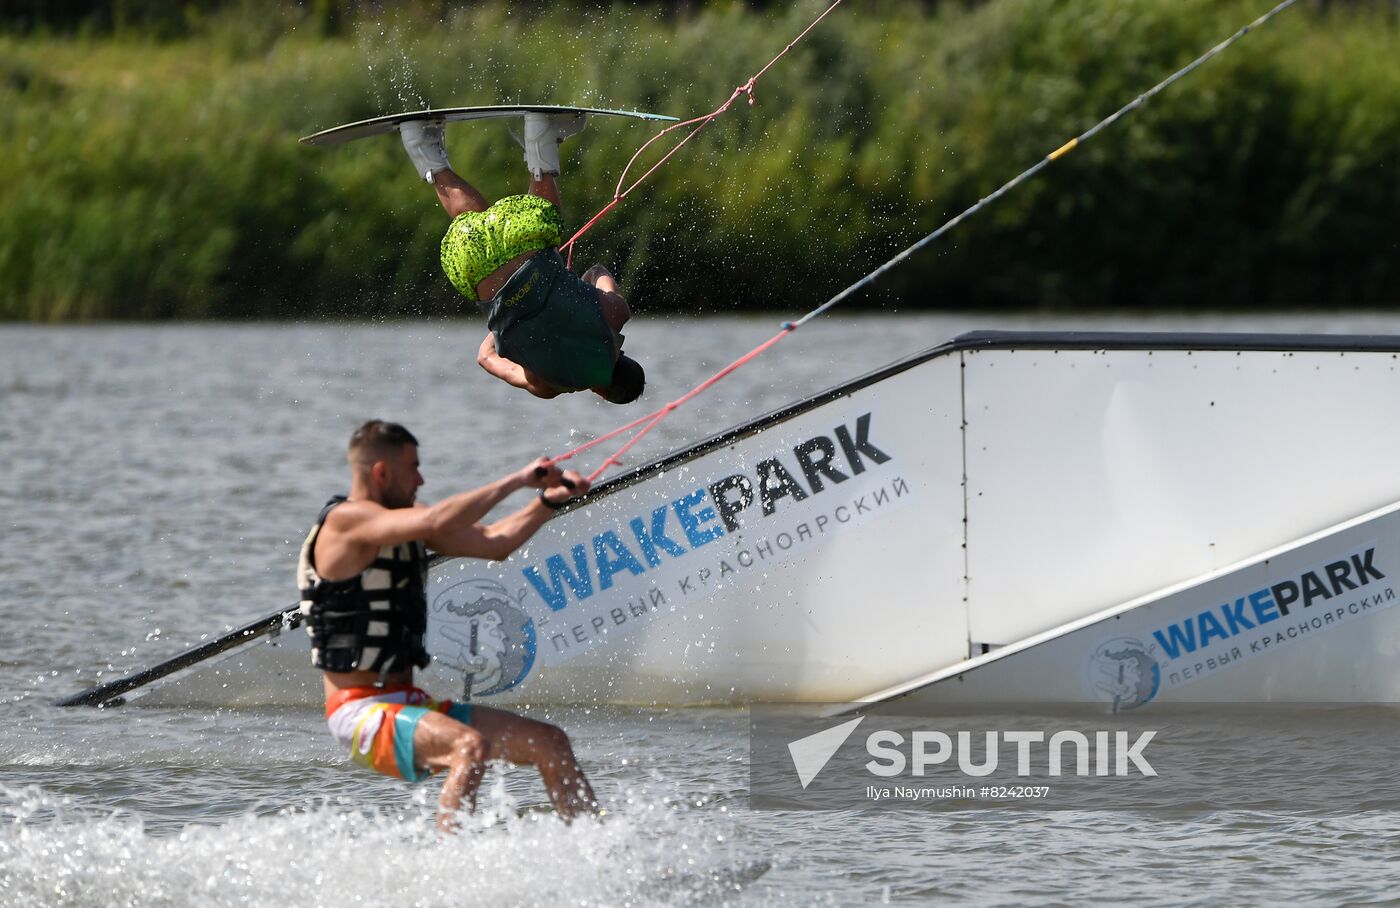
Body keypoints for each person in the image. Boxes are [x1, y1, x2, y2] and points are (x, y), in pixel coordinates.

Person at [297, 419, 599, 830]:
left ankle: (595, 849)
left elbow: (495, 542)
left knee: (551, 743)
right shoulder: (346, 522)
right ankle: (450, 868)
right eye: (413, 468)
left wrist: (546, 503)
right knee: (469, 747)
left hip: (409, 701)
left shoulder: (409, 522)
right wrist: (516, 480)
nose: (421, 479)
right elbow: (437, 521)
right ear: (382, 472)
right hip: (359, 713)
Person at [400, 115, 645, 404]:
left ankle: (539, 138)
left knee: (544, 218)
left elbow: (596, 270)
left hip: (529, 251)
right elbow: (485, 357)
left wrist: (566, 289)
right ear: (600, 392)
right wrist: (509, 322)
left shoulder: (615, 315)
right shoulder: (546, 386)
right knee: (476, 225)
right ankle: (422, 148)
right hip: (476, 270)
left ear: (623, 356)